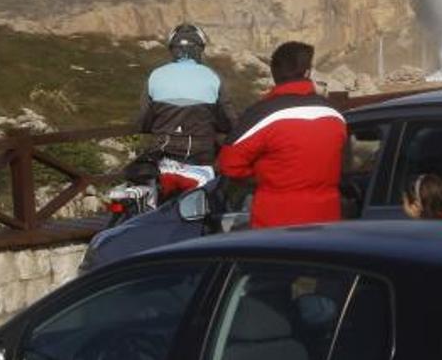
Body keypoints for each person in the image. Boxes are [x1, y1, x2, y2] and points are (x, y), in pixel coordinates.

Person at [217, 41, 346, 228]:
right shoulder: (334, 115)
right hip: (327, 221)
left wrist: (262, 173)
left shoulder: (261, 114)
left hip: (276, 224)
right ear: (308, 73)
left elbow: (229, 164)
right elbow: (345, 164)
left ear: (274, 74)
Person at [136, 23, 233, 195]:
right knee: (212, 197)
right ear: (200, 49)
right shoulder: (213, 77)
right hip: (201, 156)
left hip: (163, 154)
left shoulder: (156, 75)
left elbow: (143, 121)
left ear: (172, 49)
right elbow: (228, 120)